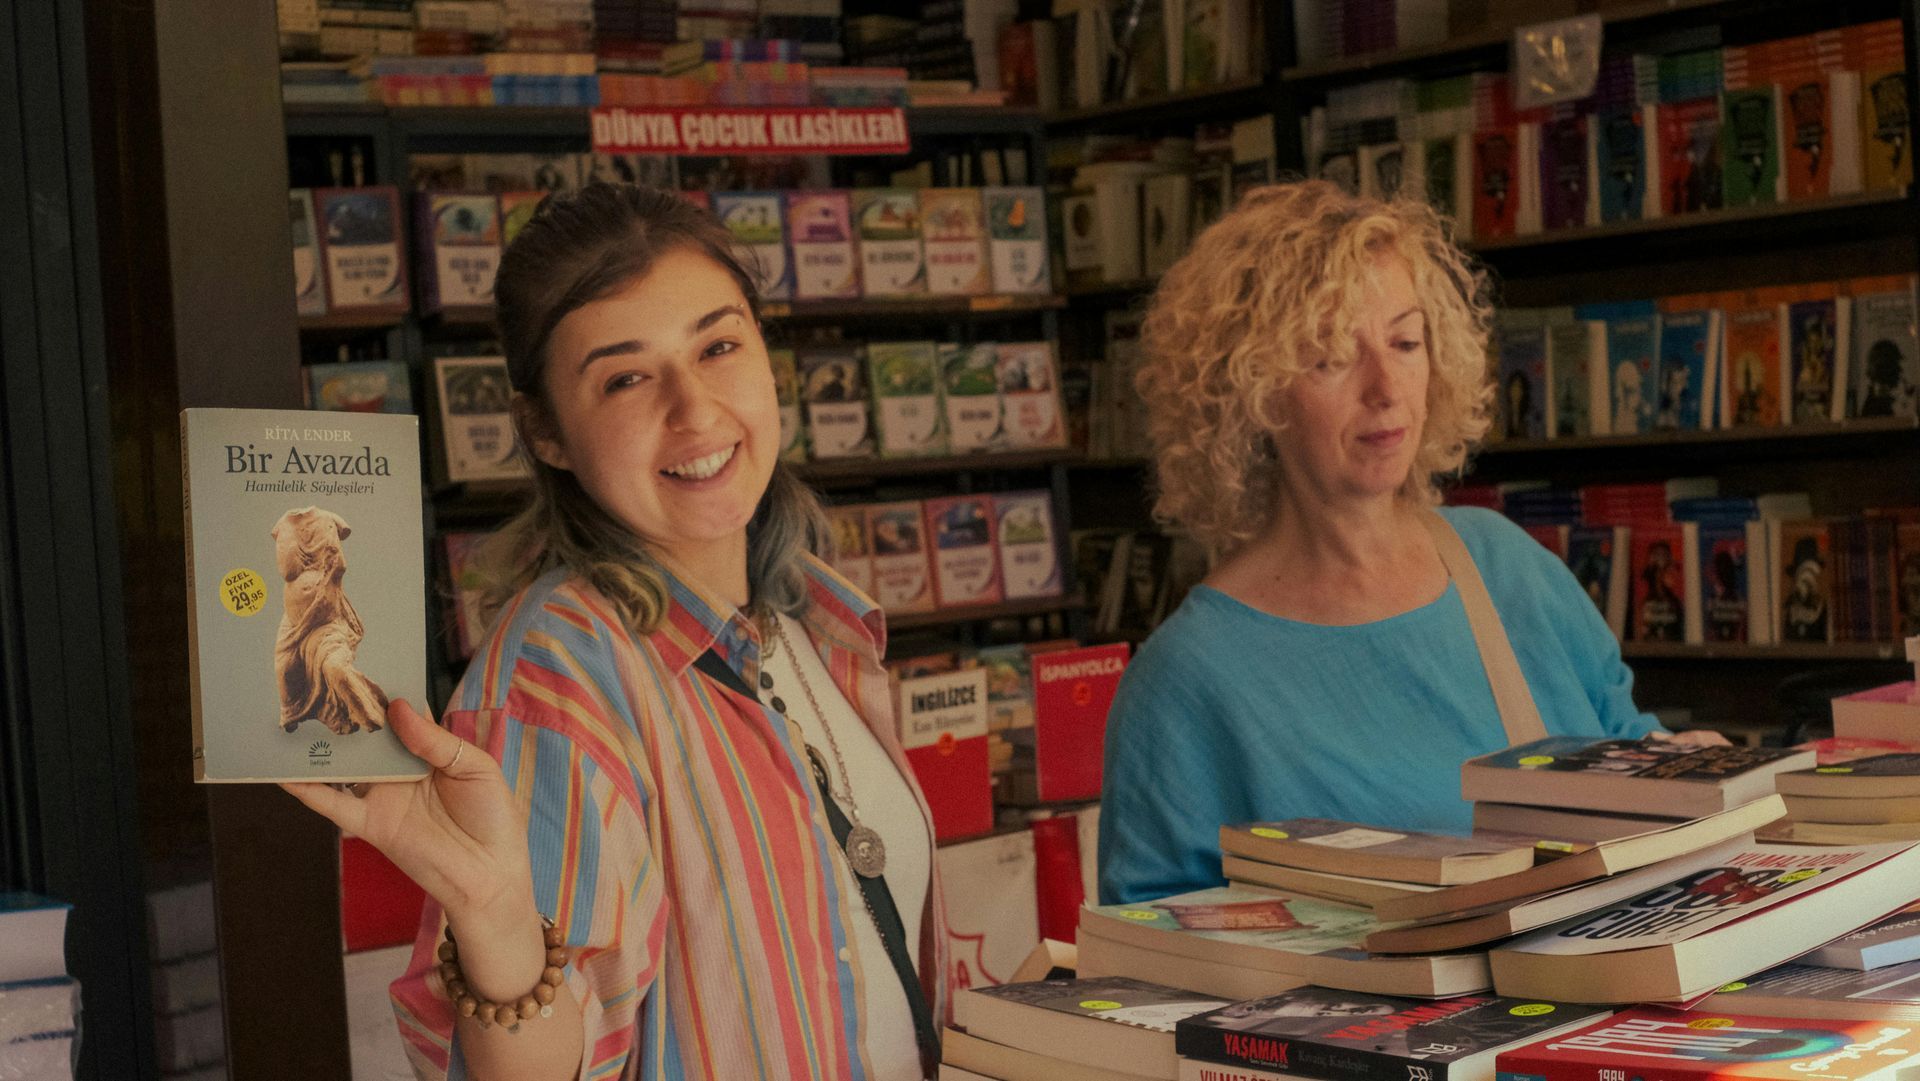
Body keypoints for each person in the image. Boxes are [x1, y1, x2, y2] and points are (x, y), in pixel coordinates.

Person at [283, 183, 946, 1080]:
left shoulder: (811, 620)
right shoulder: (563, 671)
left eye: (719, 345)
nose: (697, 409)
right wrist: (497, 919)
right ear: (546, 431)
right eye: (627, 377)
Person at [1098, 181, 1722, 907]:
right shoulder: (1184, 684)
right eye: (1332, 355)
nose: (1387, 387)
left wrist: (1694, 776)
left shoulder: (1507, 568)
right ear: (1253, 391)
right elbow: (1154, 965)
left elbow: (1635, 762)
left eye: (1404, 341)